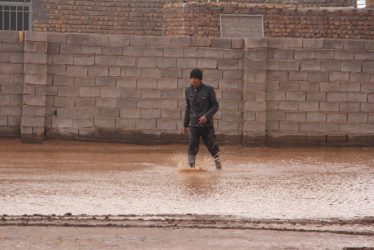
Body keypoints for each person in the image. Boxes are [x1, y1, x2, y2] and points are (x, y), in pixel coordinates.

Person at [183, 68, 222, 170]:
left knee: (212, 146)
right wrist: (185, 124)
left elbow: (215, 106)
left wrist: (206, 116)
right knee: (192, 147)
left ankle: (219, 168)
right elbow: (188, 107)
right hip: (193, 125)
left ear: (200, 79)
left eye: (195, 78)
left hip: (206, 125)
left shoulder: (209, 90)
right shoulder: (188, 91)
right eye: (192, 78)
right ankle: (192, 170)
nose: (193, 80)